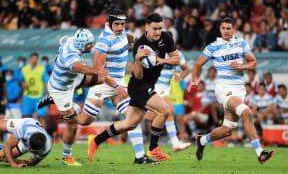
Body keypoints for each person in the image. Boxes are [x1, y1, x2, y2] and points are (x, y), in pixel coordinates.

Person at [88, 13, 180, 162]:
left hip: (149, 85)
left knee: (130, 124)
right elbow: (137, 75)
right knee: (165, 110)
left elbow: (176, 59)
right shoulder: (140, 44)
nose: (157, 32)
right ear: (146, 28)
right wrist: (137, 59)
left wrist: (162, 60)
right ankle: (153, 148)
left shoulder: (166, 38)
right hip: (138, 86)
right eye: (154, 28)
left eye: (159, 28)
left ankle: (96, 141)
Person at [187, 17, 274, 164]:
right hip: (224, 89)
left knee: (227, 130)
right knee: (247, 112)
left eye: (228, 28)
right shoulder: (214, 46)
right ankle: (260, 153)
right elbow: (197, 65)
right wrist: (194, 79)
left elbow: (253, 63)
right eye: (223, 28)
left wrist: (242, 66)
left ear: (233, 29)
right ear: (220, 29)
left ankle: (202, 140)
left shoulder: (241, 43)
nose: (225, 31)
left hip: (239, 89)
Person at [77, 9, 158, 164]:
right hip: (102, 84)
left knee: (132, 118)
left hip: (118, 82)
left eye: (122, 24)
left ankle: (140, 157)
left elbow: (127, 38)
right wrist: (115, 86)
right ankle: (65, 105)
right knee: (84, 120)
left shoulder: (121, 32)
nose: (120, 27)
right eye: (117, 24)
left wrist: (139, 42)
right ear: (110, 23)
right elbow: (99, 71)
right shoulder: (103, 42)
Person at [37, 28, 108, 166]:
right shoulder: (70, 57)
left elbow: (63, 39)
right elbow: (79, 68)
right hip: (61, 90)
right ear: (81, 45)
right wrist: (97, 70)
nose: (91, 46)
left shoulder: (71, 40)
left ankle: (56, 97)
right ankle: (66, 158)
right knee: (73, 125)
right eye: (89, 44)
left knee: (100, 80)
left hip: (71, 80)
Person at [146, 50, 190, 152]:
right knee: (169, 110)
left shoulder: (178, 54)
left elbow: (186, 69)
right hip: (155, 85)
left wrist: (181, 77)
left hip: (166, 88)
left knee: (150, 116)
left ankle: (158, 145)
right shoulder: (155, 52)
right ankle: (175, 143)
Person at [19, 53, 48, 128]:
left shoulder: (42, 69)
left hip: (39, 96)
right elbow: (19, 81)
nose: (34, 60)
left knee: (41, 116)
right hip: (27, 96)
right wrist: (22, 84)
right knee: (26, 117)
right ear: (30, 59)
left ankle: (44, 135)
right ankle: (26, 135)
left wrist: (48, 95)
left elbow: (46, 82)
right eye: (33, 58)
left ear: (38, 60)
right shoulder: (24, 69)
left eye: (36, 59)